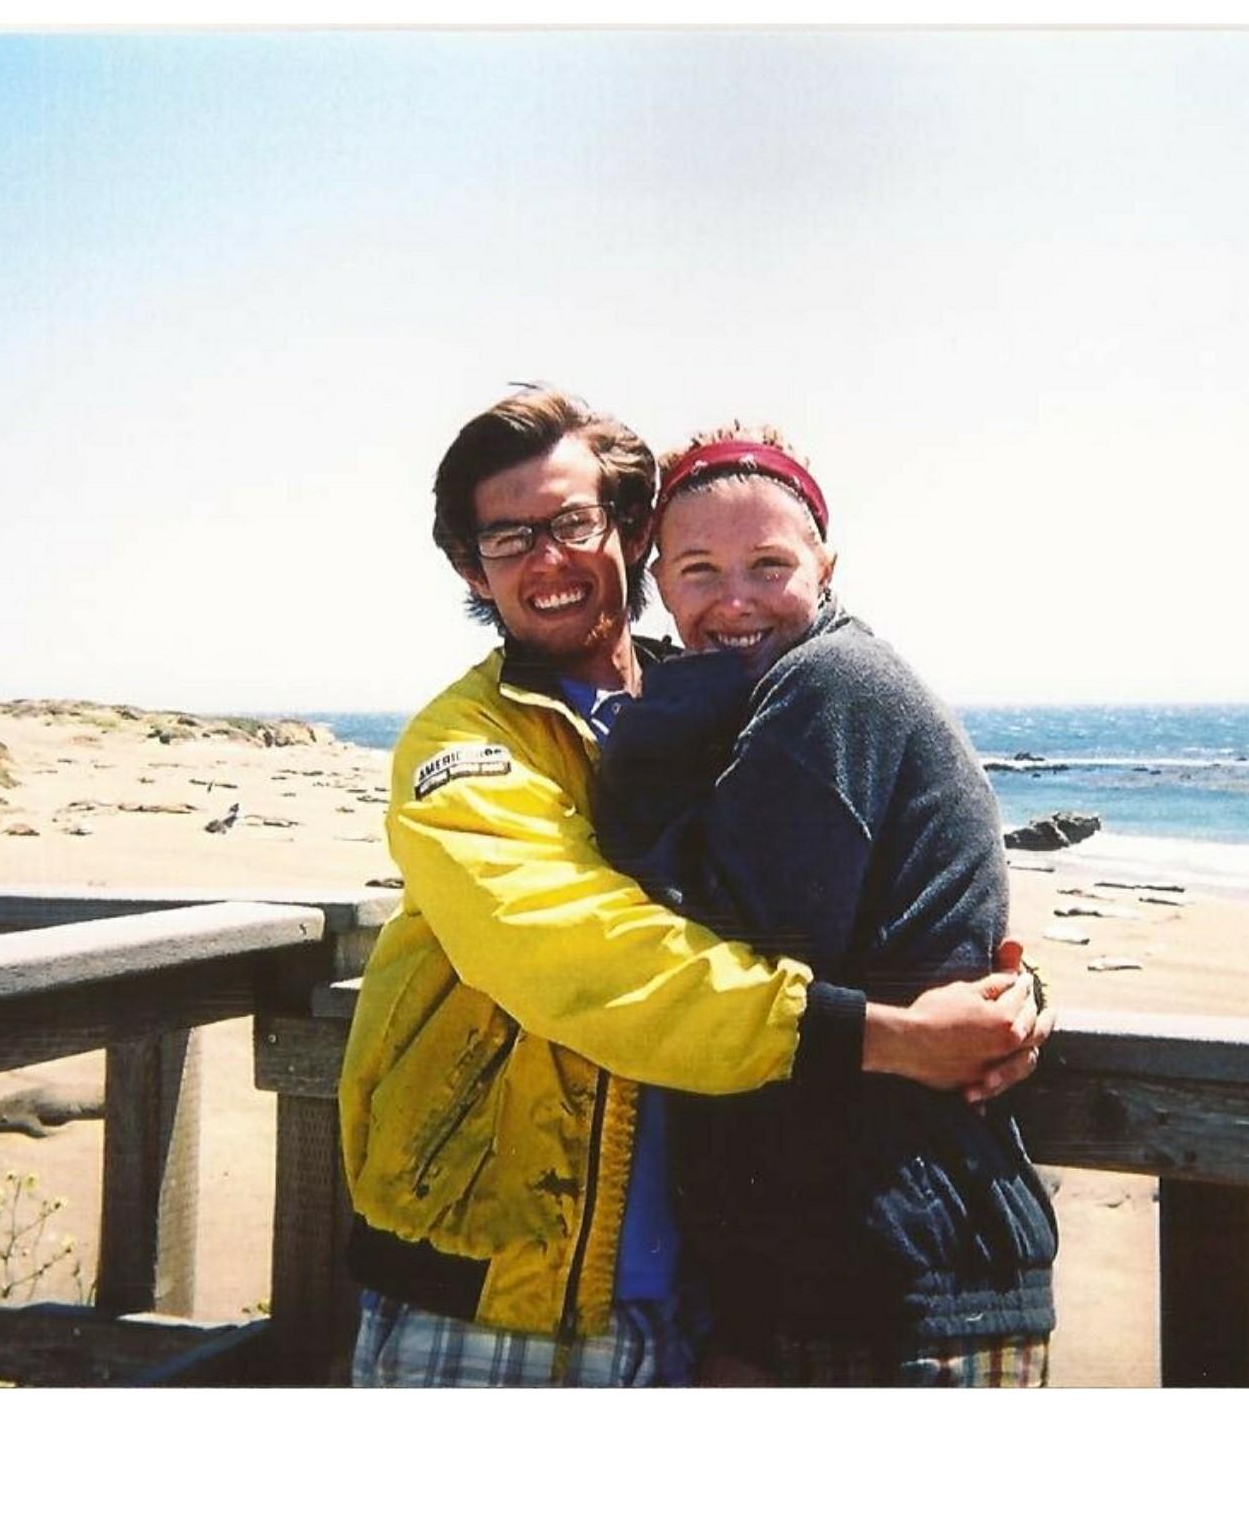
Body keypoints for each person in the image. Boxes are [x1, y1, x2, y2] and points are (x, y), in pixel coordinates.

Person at [337, 387, 1047, 1387]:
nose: (548, 558)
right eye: (507, 538)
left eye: (574, 522)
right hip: (501, 1292)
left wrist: (994, 994)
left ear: (629, 537)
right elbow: (581, 956)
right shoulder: (464, 744)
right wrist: (890, 1035)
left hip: (698, 1307)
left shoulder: (732, 697)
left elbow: (865, 873)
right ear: (470, 567)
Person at [592, 426, 1059, 1385]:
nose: (734, 600)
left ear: (826, 565)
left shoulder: (829, 686)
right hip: (842, 1259)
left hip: (898, 1274)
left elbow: (737, 944)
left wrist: (644, 743)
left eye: (769, 564)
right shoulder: (764, 695)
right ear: (659, 587)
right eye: (697, 570)